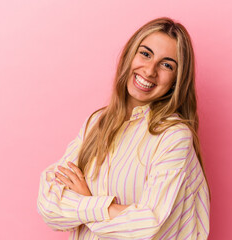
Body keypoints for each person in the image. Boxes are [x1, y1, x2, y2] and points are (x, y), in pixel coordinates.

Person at [37, 17, 210, 239]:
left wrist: (84, 201)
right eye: (145, 54)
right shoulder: (96, 122)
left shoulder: (174, 136)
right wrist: (103, 208)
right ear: (130, 55)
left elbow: (148, 226)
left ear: (177, 79)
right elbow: (49, 204)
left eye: (167, 65)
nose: (149, 71)